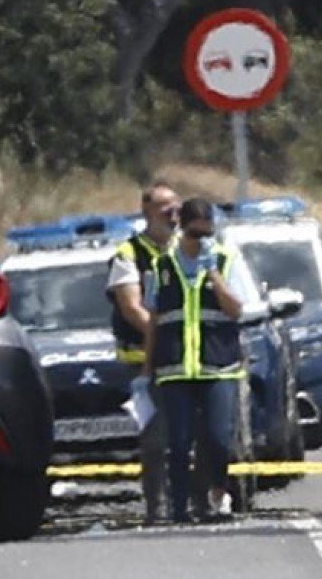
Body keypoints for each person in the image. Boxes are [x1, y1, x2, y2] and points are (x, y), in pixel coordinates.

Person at [145, 198, 248, 522]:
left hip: (218, 365)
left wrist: (213, 274)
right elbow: (153, 318)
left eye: (207, 233)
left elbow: (236, 309)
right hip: (175, 368)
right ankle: (179, 508)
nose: (201, 240)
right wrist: (147, 367)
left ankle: (217, 494)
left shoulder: (226, 259)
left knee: (218, 439)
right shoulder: (162, 266)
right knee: (178, 443)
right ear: (181, 229)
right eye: (194, 233)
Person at [106, 181, 178, 523]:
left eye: (175, 206)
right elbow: (132, 308)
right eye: (165, 207)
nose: (173, 213)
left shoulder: (188, 249)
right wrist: (167, 333)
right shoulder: (129, 255)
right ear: (148, 212)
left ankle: (197, 503)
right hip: (143, 365)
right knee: (155, 440)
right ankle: (159, 509)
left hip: (187, 361)